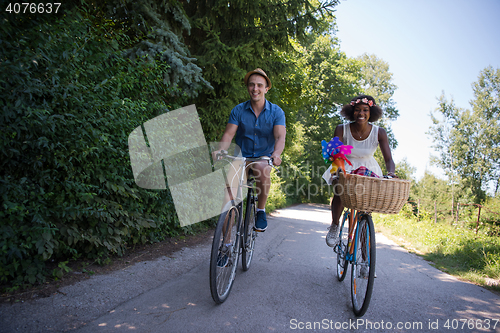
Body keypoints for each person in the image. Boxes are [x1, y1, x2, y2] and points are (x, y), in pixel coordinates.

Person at [213, 68, 286, 232]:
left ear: (266, 89)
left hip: (262, 157)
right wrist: (221, 150)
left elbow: (280, 137)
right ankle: (226, 245)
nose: (255, 89)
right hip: (240, 157)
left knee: (262, 167)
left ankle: (260, 210)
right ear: (247, 87)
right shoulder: (238, 110)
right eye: (252, 85)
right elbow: (229, 134)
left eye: (260, 85)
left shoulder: (276, 112)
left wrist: (276, 154)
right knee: (228, 200)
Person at [323, 95, 397, 246]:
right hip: (345, 164)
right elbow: (336, 153)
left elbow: (388, 159)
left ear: (371, 113)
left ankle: (365, 260)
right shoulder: (341, 129)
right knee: (339, 190)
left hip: (368, 168)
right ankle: (335, 225)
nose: (361, 113)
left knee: (365, 210)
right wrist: (339, 171)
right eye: (357, 110)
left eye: (365, 110)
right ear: (352, 112)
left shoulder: (379, 132)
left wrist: (390, 173)